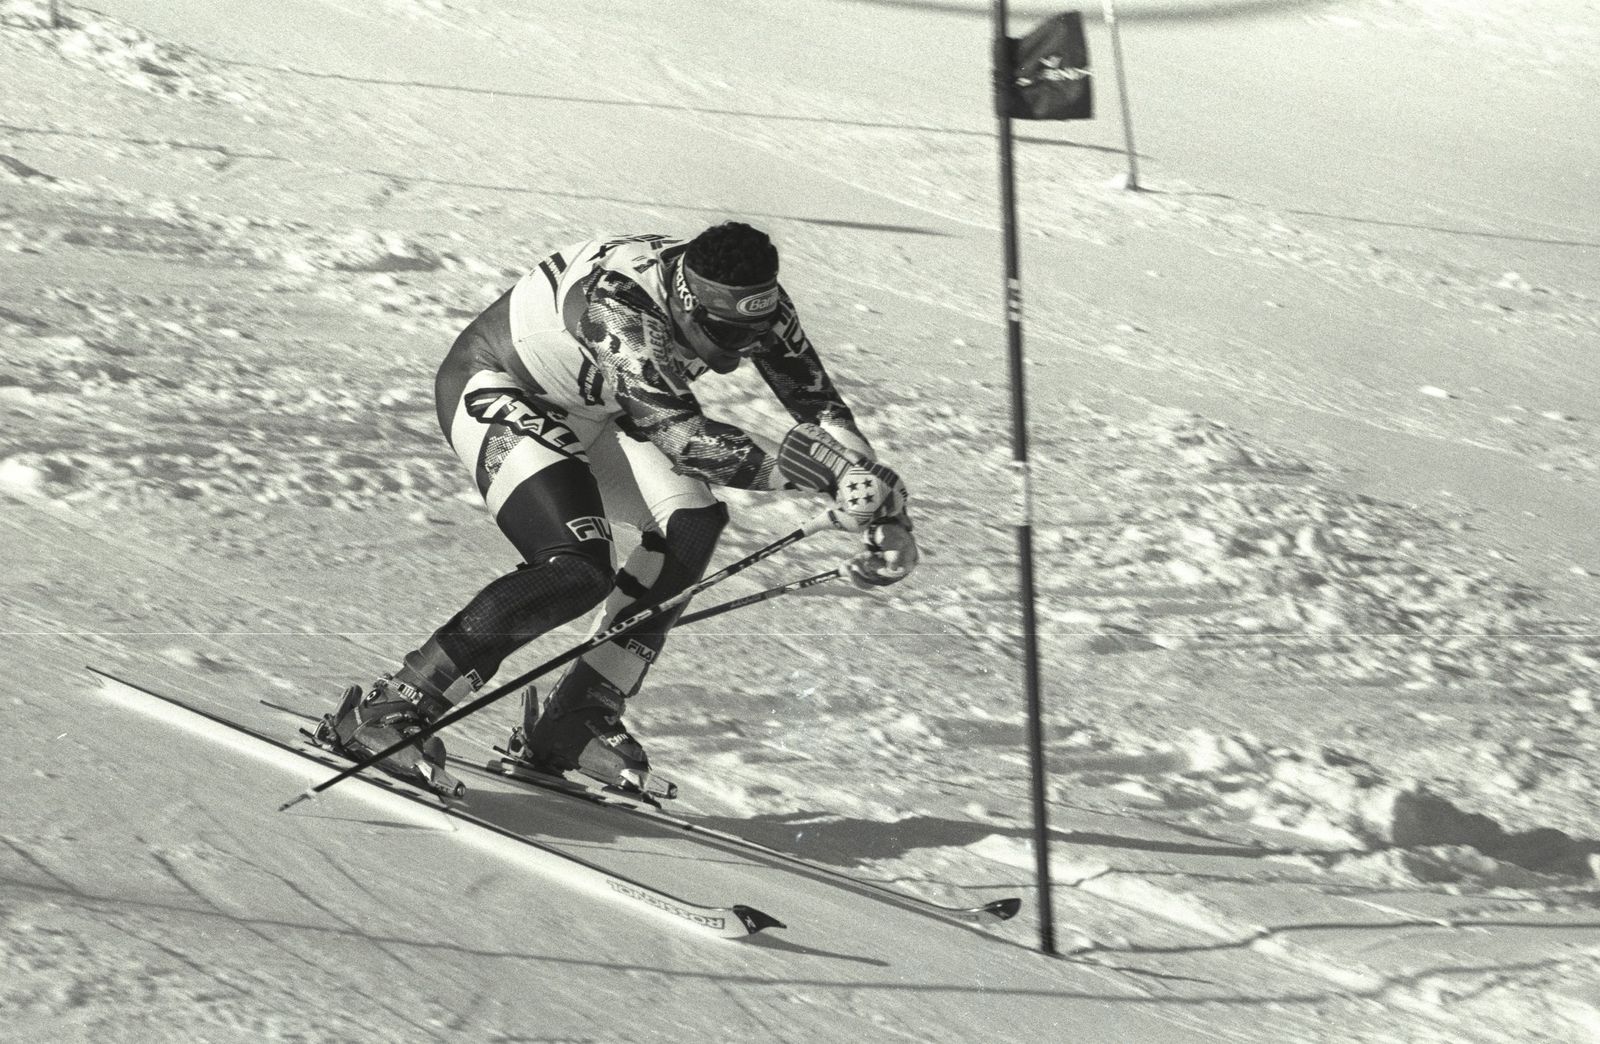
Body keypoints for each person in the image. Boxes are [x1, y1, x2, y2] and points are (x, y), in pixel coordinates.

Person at [320, 222, 919, 794]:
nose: (736, 355)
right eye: (725, 335)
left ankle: (577, 714)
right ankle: (395, 703)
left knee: (692, 523)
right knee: (577, 567)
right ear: (684, 301)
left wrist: (884, 507)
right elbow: (685, 441)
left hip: (600, 409)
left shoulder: (751, 302)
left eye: (753, 337)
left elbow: (820, 411)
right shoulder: (618, 303)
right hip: (499, 388)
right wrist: (825, 477)